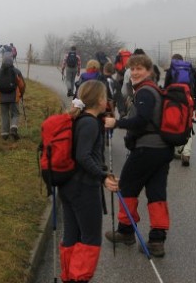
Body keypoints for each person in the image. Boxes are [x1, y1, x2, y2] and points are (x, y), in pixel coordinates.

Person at [104, 54, 173, 257]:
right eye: (132, 69)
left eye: (139, 69)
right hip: (163, 149)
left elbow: (141, 120)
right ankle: (157, 240)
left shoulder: (145, 92)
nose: (135, 72)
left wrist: (116, 123)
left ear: (149, 71)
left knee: (127, 186)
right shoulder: (153, 90)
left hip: (147, 149)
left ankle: (126, 232)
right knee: (156, 193)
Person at [58, 80, 119, 283]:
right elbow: (83, 156)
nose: (107, 101)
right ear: (100, 100)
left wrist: (103, 172)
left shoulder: (79, 119)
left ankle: (70, 277)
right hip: (83, 188)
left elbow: (85, 155)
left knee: (72, 236)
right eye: (105, 97)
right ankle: (79, 278)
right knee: (90, 239)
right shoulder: (90, 123)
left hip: (69, 186)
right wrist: (102, 176)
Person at [164, 54, 196, 167]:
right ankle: (186, 153)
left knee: (174, 123)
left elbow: (166, 88)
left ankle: (175, 149)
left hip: (174, 101)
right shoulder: (191, 70)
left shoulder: (171, 70)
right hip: (189, 101)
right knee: (188, 125)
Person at [0, 55, 26, 140]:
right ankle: (13, 129)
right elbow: (21, 85)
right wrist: (21, 94)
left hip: (2, 97)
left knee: (4, 115)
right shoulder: (16, 71)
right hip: (14, 97)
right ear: (12, 62)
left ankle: (4, 134)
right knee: (15, 114)